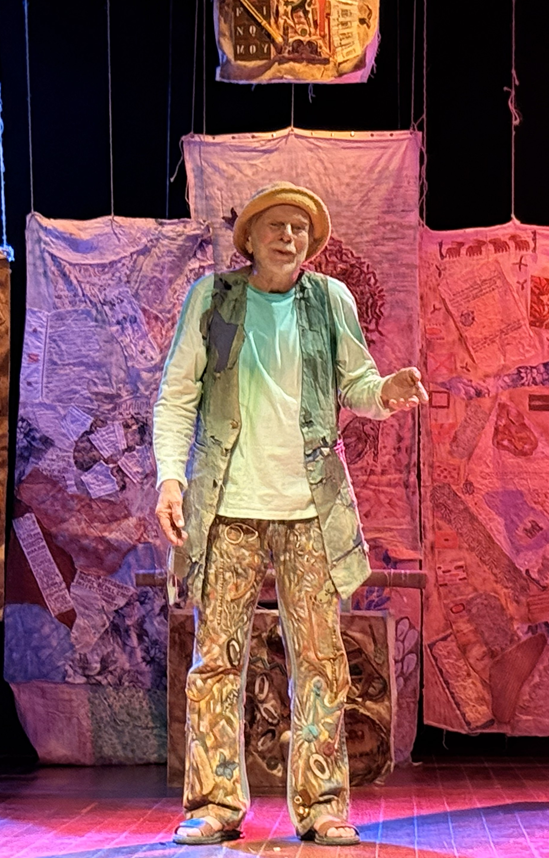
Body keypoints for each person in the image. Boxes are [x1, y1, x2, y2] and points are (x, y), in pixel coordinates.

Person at [152, 182, 427, 847]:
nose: (289, 237)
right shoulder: (213, 300)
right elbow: (176, 396)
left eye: (300, 229)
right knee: (216, 662)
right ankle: (215, 804)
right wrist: (169, 480)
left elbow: (357, 384)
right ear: (249, 238)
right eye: (276, 226)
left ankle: (322, 804)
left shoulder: (330, 300)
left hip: (309, 510)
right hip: (227, 509)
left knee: (322, 662)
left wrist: (386, 392)